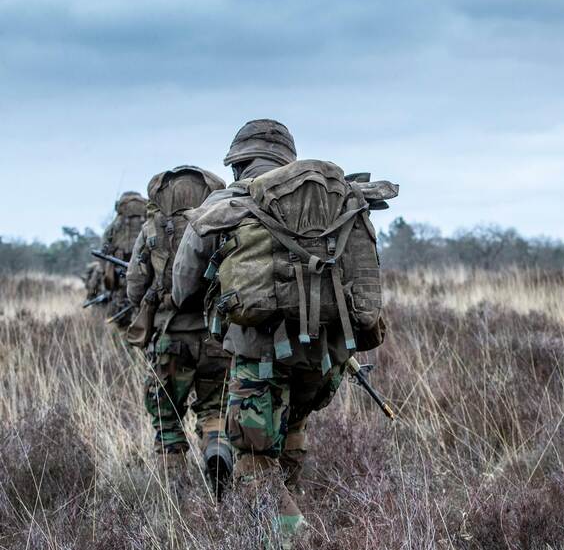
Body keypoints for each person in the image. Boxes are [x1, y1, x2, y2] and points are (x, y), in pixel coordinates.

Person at [172, 119, 389, 547]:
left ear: (238, 163)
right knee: (292, 430)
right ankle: (291, 510)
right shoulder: (336, 199)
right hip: (325, 356)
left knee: (254, 458)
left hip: (259, 356)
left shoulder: (231, 200)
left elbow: (183, 286)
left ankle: (287, 537)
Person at [125, 166, 233, 493]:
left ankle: (176, 499)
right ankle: (216, 450)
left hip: (171, 340)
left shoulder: (152, 229)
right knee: (216, 411)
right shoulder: (224, 222)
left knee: (167, 421)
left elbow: (134, 285)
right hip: (217, 338)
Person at [101, 191, 147, 328]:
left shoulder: (116, 224)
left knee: (121, 300)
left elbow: (105, 247)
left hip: (120, 270)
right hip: (143, 268)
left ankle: (122, 333)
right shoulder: (147, 219)